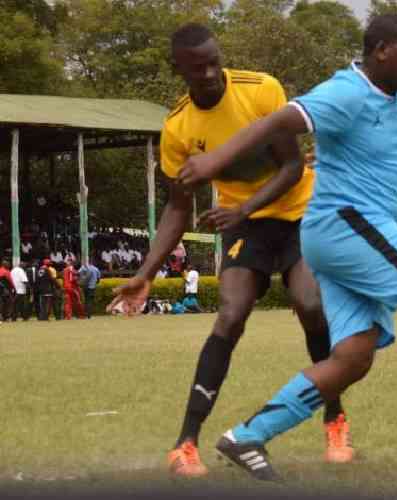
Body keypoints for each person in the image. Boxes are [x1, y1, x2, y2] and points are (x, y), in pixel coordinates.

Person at [176, 15, 397, 480]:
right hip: (349, 222)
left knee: (353, 357)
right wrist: (216, 159)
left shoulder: (395, 91)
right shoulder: (347, 92)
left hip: (334, 234)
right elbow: (278, 121)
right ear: (381, 51)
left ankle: (247, 436)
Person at [107, 23, 353, 477]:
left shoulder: (261, 90)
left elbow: (294, 167)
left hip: (301, 215)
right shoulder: (178, 128)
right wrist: (146, 272)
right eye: (198, 67)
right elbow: (177, 209)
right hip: (248, 225)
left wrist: (243, 210)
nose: (210, 73)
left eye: (214, 60)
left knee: (309, 302)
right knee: (231, 313)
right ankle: (185, 444)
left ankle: (335, 418)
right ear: (179, 68)